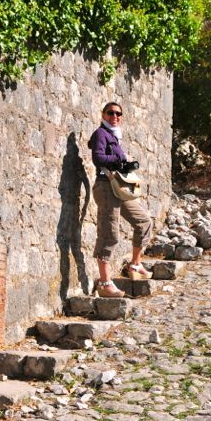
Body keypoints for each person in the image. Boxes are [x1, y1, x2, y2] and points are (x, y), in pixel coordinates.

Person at [88, 101, 153, 298]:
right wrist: (118, 160)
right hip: (106, 187)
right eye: (111, 113)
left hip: (119, 187)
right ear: (103, 114)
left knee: (144, 221)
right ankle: (105, 283)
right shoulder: (101, 134)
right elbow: (98, 159)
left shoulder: (115, 137)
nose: (115, 116)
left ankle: (135, 264)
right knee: (110, 234)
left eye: (118, 114)